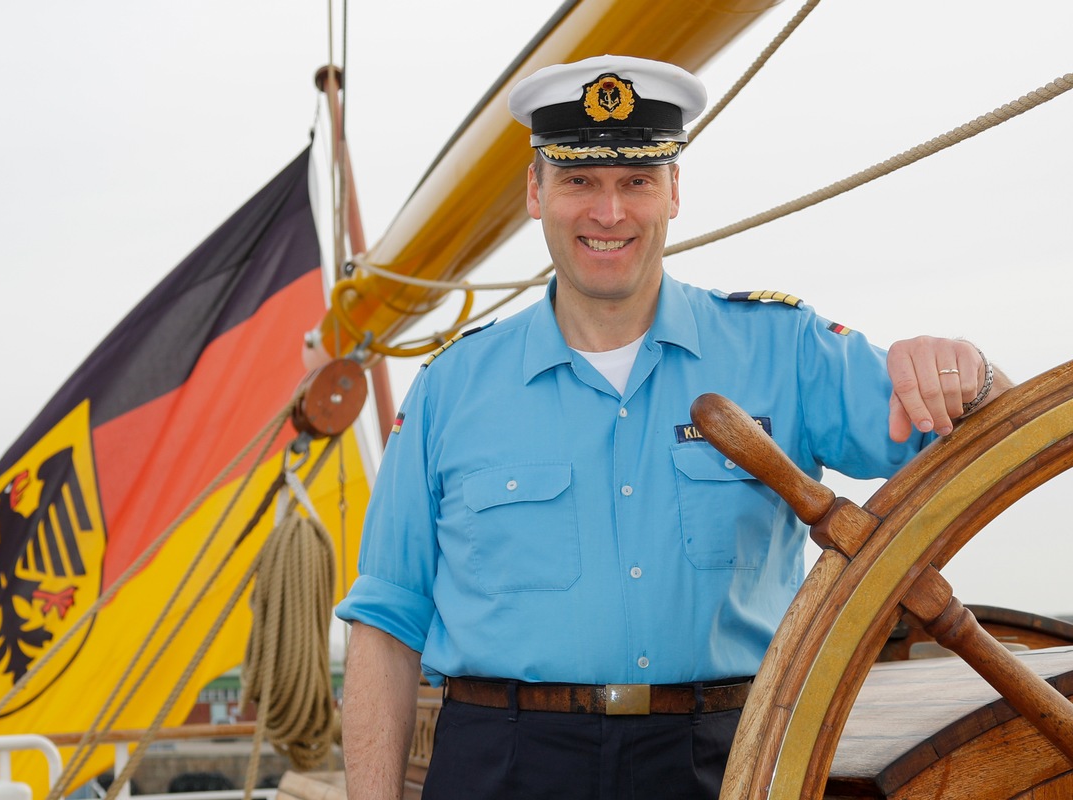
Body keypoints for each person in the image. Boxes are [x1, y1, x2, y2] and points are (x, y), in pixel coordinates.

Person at [334, 55, 1011, 799]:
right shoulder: (449, 388)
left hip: (730, 759)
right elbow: (386, 625)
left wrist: (970, 374)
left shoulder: (784, 349)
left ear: (674, 191)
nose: (609, 212)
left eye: (636, 182)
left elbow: (998, 444)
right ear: (535, 191)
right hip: (504, 764)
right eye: (579, 181)